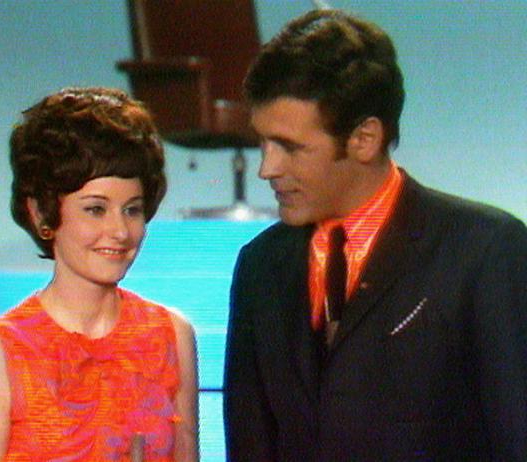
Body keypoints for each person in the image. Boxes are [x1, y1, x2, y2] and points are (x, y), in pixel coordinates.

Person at [223, 8, 527, 461]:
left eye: (290, 147)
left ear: (364, 138)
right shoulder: (260, 265)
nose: (268, 168)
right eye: (263, 143)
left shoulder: (485, 250)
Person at [0, 87, 199, 461]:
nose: (120, 231)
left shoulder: (171, 336)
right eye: (96, 209)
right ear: (42, 213)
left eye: (131, 210)